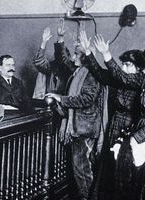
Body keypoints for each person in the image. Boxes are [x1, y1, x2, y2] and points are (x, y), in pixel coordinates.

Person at [45, 21, 106, 200]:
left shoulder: (91, 74)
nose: (73, 58)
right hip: (80, 128)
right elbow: (64, 59)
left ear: (84, 57)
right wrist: (60, 39)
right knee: (80, 170)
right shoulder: (79, 71)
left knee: (83, 171)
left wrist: (60, 98)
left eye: (77, 54)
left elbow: (87, 99)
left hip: (84, 130)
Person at [79, 31, 144, 200]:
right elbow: (100, 74)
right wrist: (88, 52)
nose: (124, 67)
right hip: (115, 126)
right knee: (108, 169)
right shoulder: (123, 78)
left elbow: (121, 76)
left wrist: (106, 54)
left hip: (130, 131)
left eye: (128, 64)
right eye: (123, 64)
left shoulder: (139, 79)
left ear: (140, 69)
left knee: (124, 173)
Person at [33, 20, 72, 99]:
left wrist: (61, 38)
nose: (60, 58)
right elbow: (38, 62)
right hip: (48, 103)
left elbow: (63, 57)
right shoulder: (51, 67)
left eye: (62, 56)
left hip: (65, 104)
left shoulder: (70, 69)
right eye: (57, 55)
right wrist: (43, 42)